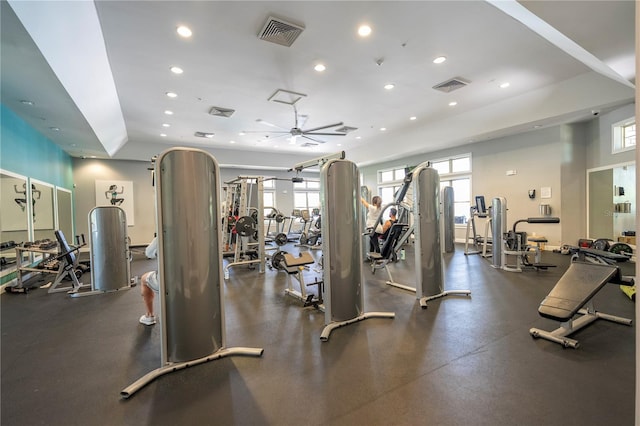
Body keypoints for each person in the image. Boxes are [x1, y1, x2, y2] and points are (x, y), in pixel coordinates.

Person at [139, 237, 158, 326]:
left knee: (143, 279)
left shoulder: (160, 237)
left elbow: (148, 253)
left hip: (168, 280)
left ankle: (149, 315)